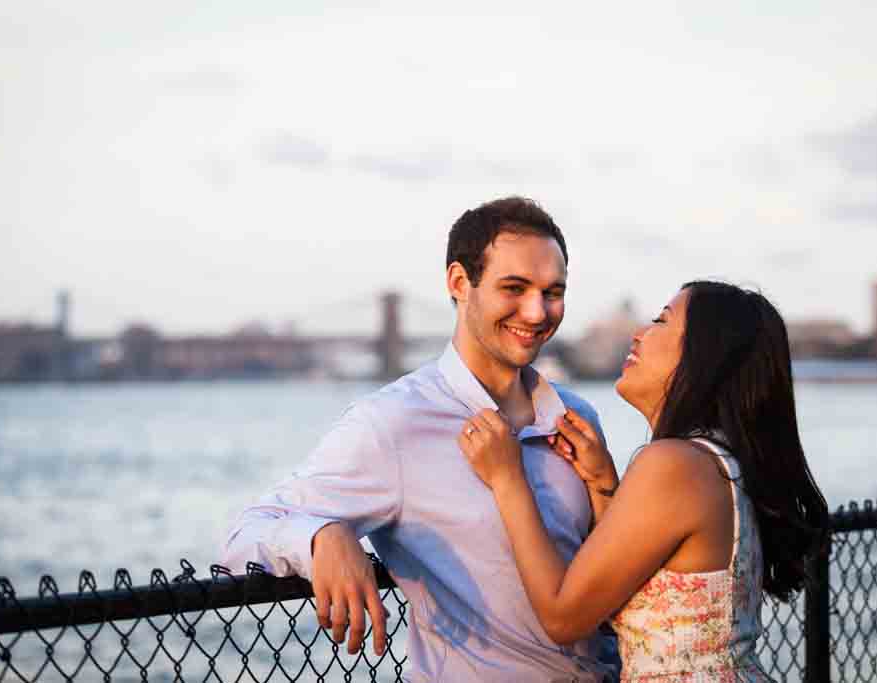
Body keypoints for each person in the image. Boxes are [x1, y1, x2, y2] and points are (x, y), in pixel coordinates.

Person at [222, 196, 618, 681]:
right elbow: (244, 536)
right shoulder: (393, 423)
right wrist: (321, 537)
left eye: (552, 292)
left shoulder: (579, 417)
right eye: (514, 288)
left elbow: (611, 577)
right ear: (458, 283)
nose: (537, 313)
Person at [459, 281, 829, 682]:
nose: (639, 333)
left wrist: (508, 479)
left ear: (703, 356)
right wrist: (604, 485)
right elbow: (625, 592)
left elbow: (563, 617)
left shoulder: (675, 465)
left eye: (661, 321)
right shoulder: (715, 461)